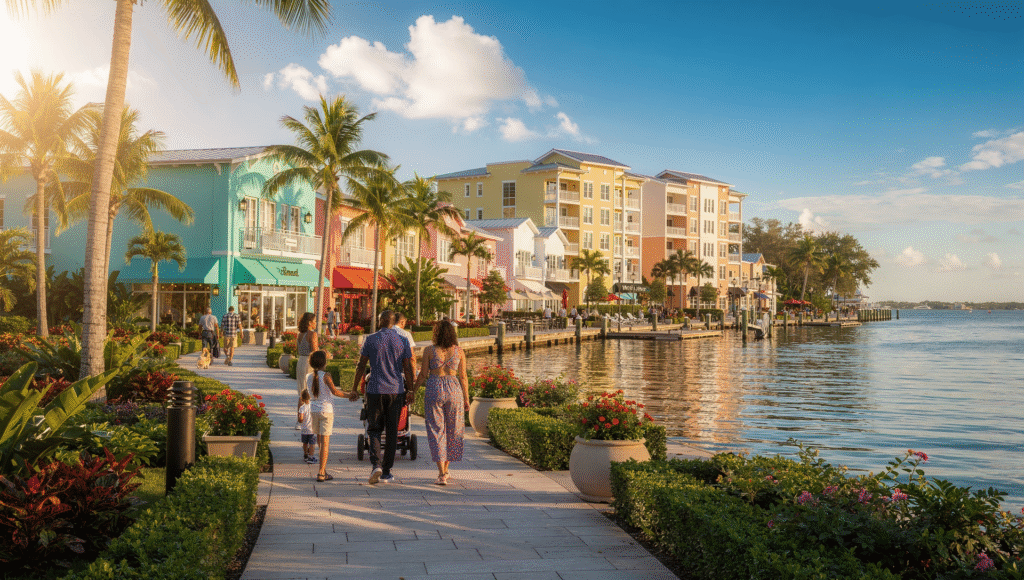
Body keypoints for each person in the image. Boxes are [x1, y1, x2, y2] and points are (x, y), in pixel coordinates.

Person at [350, 311, 414, 484]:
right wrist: (411, 390)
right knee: (392, 431)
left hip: (375, 390)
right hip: (396, 390)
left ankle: (375, 465)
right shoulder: (403, 339)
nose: (377, 321)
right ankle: (386, 471)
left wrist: (355, 388)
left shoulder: (370, 339)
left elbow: (361, 365)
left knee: (374, 429)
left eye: (378, 319)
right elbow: (408, 367)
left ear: (383, 321)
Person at [410, 320, 469, 485]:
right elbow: (463, 376)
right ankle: (447, 470)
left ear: (436, 333)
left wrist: (412, 392)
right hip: (454, 389)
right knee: (454, 430)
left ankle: (441, 472)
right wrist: (466, 398)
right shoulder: (459, 351)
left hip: (434, 387)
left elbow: (422, 375)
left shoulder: (429, 350)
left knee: (436, 430)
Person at [307, 350, 346, 481]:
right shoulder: (326, 375)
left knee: (320, 441)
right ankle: (321, 472)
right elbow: (335, 392)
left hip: (314, 411)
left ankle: (322, 468)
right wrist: (350, 395)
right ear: (324, 363)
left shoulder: (308, 377)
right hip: (326, 411)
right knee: (325, 443)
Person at [295, 312, 318, 429]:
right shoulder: (312, 334)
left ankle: (300, 419)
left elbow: (297, 350)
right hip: (309, 363)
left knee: (302, 392)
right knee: (308, 392)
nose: (315, 323)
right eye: (314, 321)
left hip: (300, 362)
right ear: (309, 322)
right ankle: (303, 420)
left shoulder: (300, 334)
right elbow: (315, 352)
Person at [297, 389, 316, 464]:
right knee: (312, 443)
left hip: (304, 429)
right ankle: (311, 456)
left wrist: (300, 420)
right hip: (312, 429)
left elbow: (301, 418)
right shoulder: (313, 406)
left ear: (302, 398)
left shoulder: (302, 407)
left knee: (305, 443)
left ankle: (305, 454)